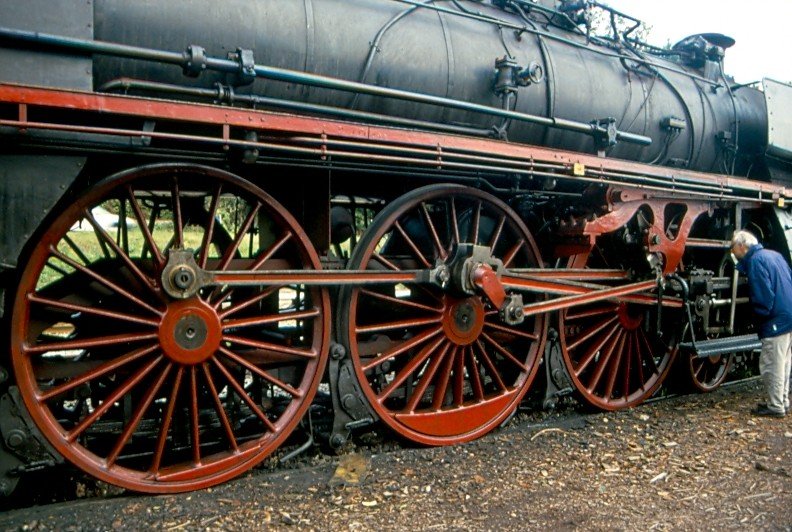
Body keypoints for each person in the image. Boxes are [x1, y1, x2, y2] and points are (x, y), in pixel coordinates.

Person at [731, 230, 792, 418]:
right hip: (788, 315)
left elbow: (763, 297)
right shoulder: (775, 255)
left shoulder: (756, 262)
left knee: (771, 364)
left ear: (742, 246)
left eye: (733, 247)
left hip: (775, 320)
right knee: (784, 361)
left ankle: (775, 407)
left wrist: (757, 317)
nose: (732, 252)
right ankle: (782, 400)